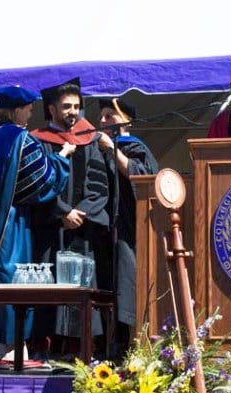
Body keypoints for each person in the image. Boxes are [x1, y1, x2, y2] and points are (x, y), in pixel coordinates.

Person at [0, 85, 72, 366]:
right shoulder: (21, 140)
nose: (31, 113)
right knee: (10, 281)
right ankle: (7, 350)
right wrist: (62, 158)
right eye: (29, 108)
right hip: (8, 223)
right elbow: (40, 181)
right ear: (17, 110)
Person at [30, 78, 113, 358]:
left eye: (77, 106)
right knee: (46, 286)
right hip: (50, 230)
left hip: (82, 230)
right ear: (52, 109)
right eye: (66, 106)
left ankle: (80, 349)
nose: (73, 112)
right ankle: (46, 348)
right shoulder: (37, 140)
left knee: (81, 287)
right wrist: (62, 211)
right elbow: (36, 182)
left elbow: (100, 185)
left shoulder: (89, 139)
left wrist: (80, 212)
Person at [96, 96, 159, 355]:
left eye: (109, 115)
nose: (102, 120)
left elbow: (141, 176)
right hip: (102, 229)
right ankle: (105, 347)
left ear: (126, 121)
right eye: (101, 116)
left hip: (129, 229)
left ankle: (135, 347)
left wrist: (112, 148)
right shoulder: (96, 147)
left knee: (128, 285)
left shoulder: (135, 148)